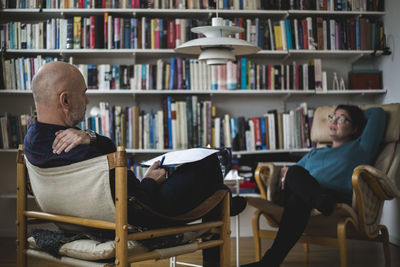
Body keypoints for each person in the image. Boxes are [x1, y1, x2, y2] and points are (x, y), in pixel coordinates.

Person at [24, 62, 245, 265]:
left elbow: (109, 158)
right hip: (140, 216)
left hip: (86, 218)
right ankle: (221, 199)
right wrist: (150, 180)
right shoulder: (80, 153)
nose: (88, 100)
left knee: (208, 183)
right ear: (65, 100)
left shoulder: (32, 140)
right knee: (208, 161)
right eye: (84, 94)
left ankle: (220, 198)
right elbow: (137, 200)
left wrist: (90, 136)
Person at [242, 104, 386, 267]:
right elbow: (290, 175)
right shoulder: (315, 152)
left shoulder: (361, 147)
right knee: (295, 171)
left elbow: (378, 113)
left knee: (298, 198)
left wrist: (358, 113)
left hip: (332, 195)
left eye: (341, 119)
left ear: (355, 129)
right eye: (332, 117)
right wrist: (287, 175)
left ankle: (269, 262)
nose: (334, 121)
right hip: (317, 197)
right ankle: (319, 200)